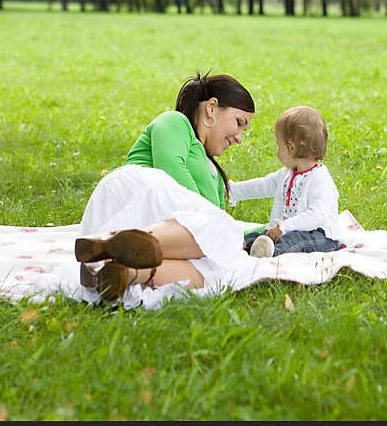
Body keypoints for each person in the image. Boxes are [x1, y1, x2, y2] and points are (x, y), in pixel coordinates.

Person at [75, 72, 255, 301]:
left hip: (162, 222)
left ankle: (120, 271)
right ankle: (113, 242)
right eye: (239, 123)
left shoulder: (215, 176)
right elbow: (170, 168)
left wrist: (253, 235)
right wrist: (228, 231)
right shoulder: (175, 122)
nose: (239, 137)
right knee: (223, 233)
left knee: (211, 272)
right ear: (211, 107)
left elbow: (216, 223)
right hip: (136, 194)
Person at [229, 106, 340, 258]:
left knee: (293, 242)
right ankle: (241, 247)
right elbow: (263, 185)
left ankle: (270, 255)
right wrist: (233, 190)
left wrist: (283, 227)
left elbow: (316, 215)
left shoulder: (319, 178)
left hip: (319, 236)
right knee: (256, 236)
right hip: (286, 231)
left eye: (278, 145)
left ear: (291, 147)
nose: (277, 150)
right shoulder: (287, 174)